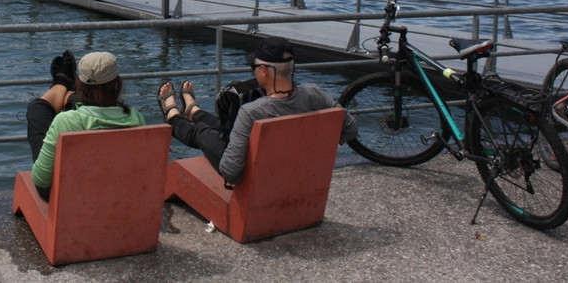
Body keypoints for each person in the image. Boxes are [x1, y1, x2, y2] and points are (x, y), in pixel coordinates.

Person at [157, 36, 357, 187]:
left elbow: (231, 171)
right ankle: (194, 111)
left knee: (204, 133)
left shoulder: (252, 112)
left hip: (261, 182)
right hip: (301, 177)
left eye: (254, 66)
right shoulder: (315, 95)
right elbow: (350, 129)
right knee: (228, 131)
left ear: (263, 70)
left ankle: (173, 117)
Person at [26, 50, 145, 199]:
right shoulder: (136, 118)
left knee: (37, 108)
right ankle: (66, 89)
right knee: (83, 105)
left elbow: (41, 179)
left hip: (68, 195)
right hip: (118, 190)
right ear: (117, 84)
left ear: (79, 84)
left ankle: (61, 85)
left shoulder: (65, 122)